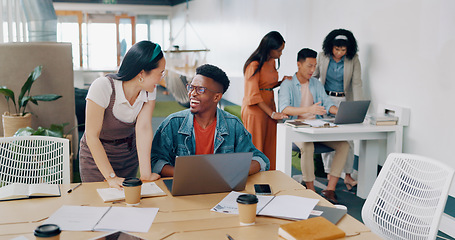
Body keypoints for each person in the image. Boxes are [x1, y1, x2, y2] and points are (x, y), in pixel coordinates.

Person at [151, 64, 269, 176]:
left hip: (222, 189)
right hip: (185, 188)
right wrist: (185, 174)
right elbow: (155, 160)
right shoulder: (173, 123)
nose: (192, 93)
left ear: (216, 97)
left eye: (200, 90)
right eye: (191, 87)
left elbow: (259, 159)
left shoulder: (233, 125)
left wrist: (236, 173)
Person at [79, 40, 164, 189]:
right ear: (142, 73)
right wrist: (111, 177)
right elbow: (92, 135)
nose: (161, 78)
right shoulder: (103, 86)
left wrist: (146, 174)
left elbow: (143, 128)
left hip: (127, 156)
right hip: (96, 158)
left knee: (127, 205)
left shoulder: (149, 89)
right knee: (98, 205)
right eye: (160, 73)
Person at [278, 48, 349, 204]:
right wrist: (308, 109)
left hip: (316, 129)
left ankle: (330, 189)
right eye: (309, 66)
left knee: (344, 145)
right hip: (295, 129)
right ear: (299, 64)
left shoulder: (316, 84)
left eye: (314, 66)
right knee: (308, 146)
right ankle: (311, 190)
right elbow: (284, 109)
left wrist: (340, 112)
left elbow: (328, 103)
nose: (313, 70)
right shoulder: (287, 84)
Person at [313, 29, 363, 190]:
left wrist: (358, 107)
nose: (340, 53)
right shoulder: (322, 56)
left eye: (343, 49)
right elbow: (314, 77)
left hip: (343, 101)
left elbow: (356, 83)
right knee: (327, 135)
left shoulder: (353, 59)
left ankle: (348, 175)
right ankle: (330, 174)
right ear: (330, 47)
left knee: (348, 139)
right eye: (337, 49)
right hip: (325, 100)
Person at [241, 31, 289, 170]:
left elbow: (266, 85)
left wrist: (280, 82)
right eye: (279, 51)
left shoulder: (272, 62)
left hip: (269, 107)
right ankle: (253, 179)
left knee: (270, 145)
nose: (280, 54)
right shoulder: (253, 65)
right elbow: (253, 95)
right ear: (269, 48)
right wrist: (272, 114)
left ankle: (269, 177)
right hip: (256, 110)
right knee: (256, 146)